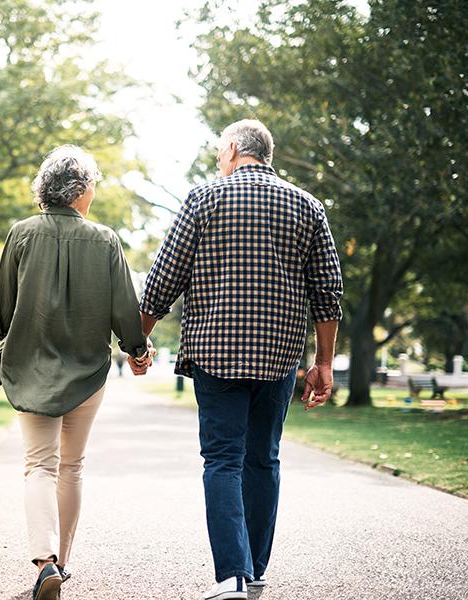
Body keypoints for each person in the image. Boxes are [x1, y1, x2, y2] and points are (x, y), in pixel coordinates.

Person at [136, 120, 343, 600]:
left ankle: (232, 576)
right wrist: (325, 363)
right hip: (278, 357)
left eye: (217, 151)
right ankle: (255, 574)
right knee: (263, 459)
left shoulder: (204, 200)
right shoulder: (307, 206)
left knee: (223, 460)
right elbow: (328, 293)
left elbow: (164, 278)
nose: (217, 159)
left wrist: (138, 340)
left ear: (232, 149)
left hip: (217, 353)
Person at [0, 145, 151, 600]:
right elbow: (123, 309)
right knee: (71, 466)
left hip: (30, 365)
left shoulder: (20, 234)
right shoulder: (106, 239)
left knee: (39, 465)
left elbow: (3, 306)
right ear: (80, 190)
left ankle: (45, 561)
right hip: (87, 372)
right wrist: (137, 350)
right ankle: (63, 563)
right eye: (93, 183)